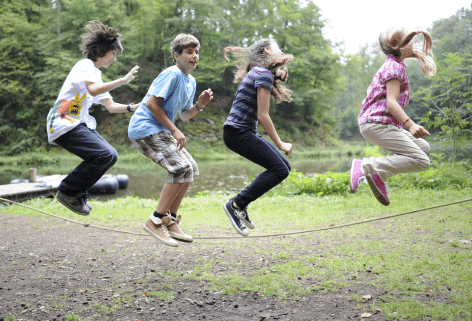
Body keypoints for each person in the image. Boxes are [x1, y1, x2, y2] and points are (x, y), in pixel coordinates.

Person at [128, 33, 213, 247]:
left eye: (196, 52)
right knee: (179, 167)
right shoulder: (172, 73)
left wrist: (200, 105)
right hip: (145, 128)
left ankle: (170, 220)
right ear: (176, 55)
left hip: (160, 130)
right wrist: (175, 131)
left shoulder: (190, 81)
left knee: (189, 168)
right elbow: (152, 104)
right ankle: (155, 221)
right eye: (189, 52)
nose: (194, 56)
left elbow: (184, 115)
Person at [47, 20, 139, 216]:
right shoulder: (85, 65)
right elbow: (94, 89)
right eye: (113, 54)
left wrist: (134, 108)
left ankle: (77, 192)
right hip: (63, 121)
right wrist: (122, 81)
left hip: (76, 122)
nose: (114, 59)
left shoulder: (95, 74)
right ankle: (68, 191)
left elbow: (111, 107)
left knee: (111, 155)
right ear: (100, 51)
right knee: (103, 154)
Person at [350, 27, 437, 205]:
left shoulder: (394, 65)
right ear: (399, 46)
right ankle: (366, 166)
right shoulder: (393, 68)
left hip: (382, 125)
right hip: (377, 124)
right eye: (409, 42)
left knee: (423, 148)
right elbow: (391, 102)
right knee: (422, 161)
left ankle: (378, 174)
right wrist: (410, 125)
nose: (413, 45)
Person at [221, 39, 294, 236]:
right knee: (279, 169)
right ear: (268, 51)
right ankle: (236, 204)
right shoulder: (262, 74)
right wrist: (280, 143)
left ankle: (240, 205)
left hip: (241, 132)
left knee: (284, 167)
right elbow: (263, 116)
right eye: (278, 47)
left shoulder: (260, 73)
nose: (281, 50)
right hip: (238, 133)